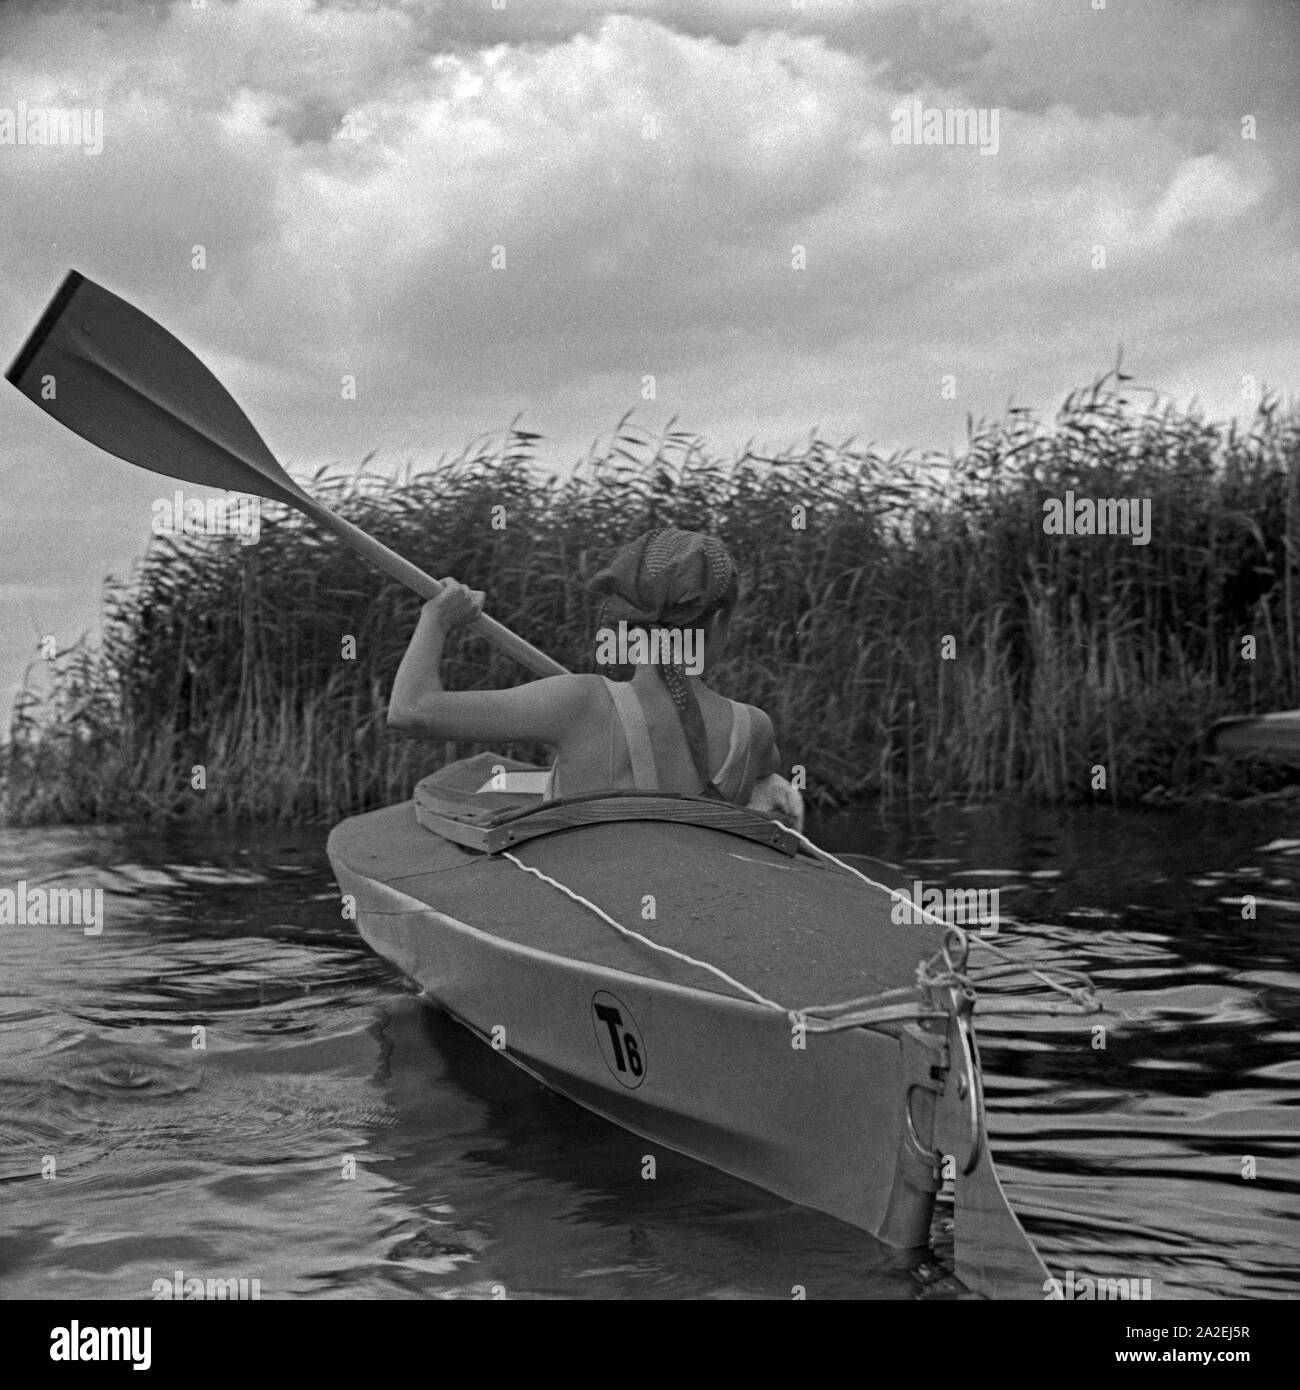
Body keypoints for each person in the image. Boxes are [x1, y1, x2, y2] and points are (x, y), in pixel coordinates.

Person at [386, 528, 804, 828]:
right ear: (717, 623)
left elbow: (409, 712)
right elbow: (767, 776)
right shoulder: (753, 728)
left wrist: (436, 618)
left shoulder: (578, 702)